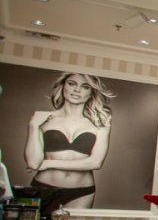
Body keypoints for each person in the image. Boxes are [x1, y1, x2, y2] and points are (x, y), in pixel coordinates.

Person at [24, 72, 114, 209]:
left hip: (81, 193)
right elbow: (33, 163)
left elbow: (95, 162)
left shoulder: (100, 123)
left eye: (85, 87)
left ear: (91, 92)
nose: (77, 90)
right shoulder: (44, 120)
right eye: (72, 84)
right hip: (44, 188)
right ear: (63, 86)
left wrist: (49, 163)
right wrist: (33, 125)